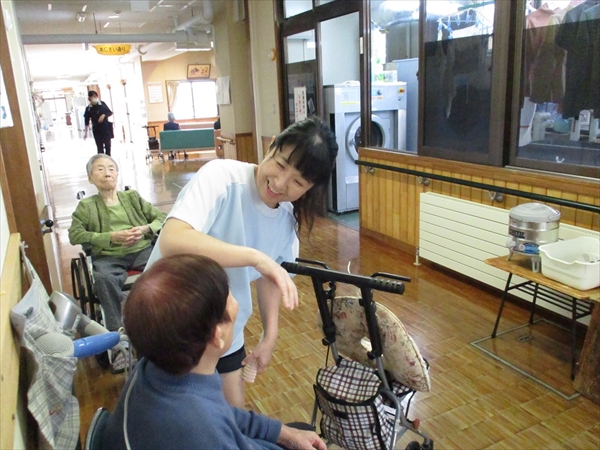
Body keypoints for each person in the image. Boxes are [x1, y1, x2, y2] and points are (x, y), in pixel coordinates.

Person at [145, 116, 338, 407]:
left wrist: (269, 334)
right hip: (169, 321)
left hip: (224, 329)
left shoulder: (287, 218)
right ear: (271, 146)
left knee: (232, 417)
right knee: (181, 420)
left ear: (310, 188)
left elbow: (271, 275)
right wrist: (254, 257)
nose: (280, 183)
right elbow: (173, 239)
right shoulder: (221, 177)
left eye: (298, 181)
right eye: (281, 164)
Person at [101, 254, 326, 450]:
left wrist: (284, 434)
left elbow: (223, 414)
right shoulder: (198, 429)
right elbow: (213, 421)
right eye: (229, 294)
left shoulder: (154, 367)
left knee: (298, 429)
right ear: (217, 335)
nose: (237, 302)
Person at [68, 154, 167, 339]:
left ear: (117, 174)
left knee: (166, 269)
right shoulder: (86, 206)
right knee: (103, 278)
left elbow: (162, 218)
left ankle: (163, 321)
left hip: (142, 250)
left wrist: (145, 229)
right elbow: (74, 235)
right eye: (100, 169)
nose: (107, 173)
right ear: (90, 177)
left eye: (111, 169)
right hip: (108, 256)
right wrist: (110, 237)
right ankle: (116, 333)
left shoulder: (132, 197)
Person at [84, 90, 114, 156]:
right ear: (89, 98)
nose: (94, 98)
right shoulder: (89, 108)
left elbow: (110, 112)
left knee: (108, 145)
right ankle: (101, 160)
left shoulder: (102, 104)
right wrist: (85, 133)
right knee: (99, 147)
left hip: (105, 128)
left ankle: (108, 158)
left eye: (95, 96)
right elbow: (86, 121)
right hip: (96, 129)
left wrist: (104, 115)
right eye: (92, 97)